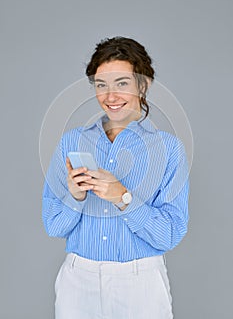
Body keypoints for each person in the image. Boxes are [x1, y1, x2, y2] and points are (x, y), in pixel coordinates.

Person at [42, 36, 189, 319]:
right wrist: (75, 198)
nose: (110, 96)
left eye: (122, 83)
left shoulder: (169, 149)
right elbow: (53, 225)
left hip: (141, 284)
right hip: (77, 282)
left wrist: (124, 198)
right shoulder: (72, 142)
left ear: (142, 85)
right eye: (101, 85)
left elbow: (170, 234)